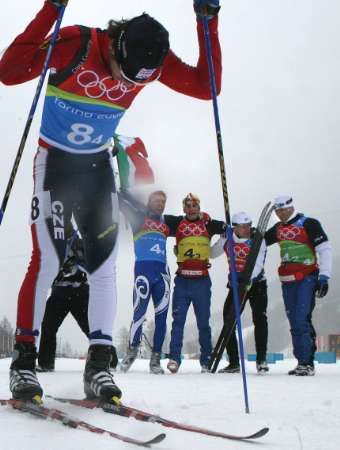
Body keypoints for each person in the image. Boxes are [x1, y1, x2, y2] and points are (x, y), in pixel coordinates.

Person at [0, 0, 222, 402]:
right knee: (48, 258)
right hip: (54, 163)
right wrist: (51, 8)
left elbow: (206, 87)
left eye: (141, 79)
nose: (129, 82)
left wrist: (208, 23)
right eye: (125, 72)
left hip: (97, 168)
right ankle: (24, 362)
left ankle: (99, 365)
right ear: (118, 44)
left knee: (103, 265)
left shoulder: (150, 61)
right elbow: (9, 72)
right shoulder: (76, 45)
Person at [265, 195, 332, 376]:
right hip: (288, 281)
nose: (281, 213)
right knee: (294, 320)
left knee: (302, 318)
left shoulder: (308, 223)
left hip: (307, 278)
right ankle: (300, 360)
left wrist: (324, 277)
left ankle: (307, 362)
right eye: (277, 211)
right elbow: (259, 241)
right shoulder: (278, 229)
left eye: (283, 209)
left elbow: (325, 249)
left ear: (291, 207)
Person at [37, 232, 118, 373]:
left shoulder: (80, 243)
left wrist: (77, 262)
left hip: (80, 292)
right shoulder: (53, 244)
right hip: (59, 292)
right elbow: (46, 265)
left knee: (91, 327)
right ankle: (45, 363)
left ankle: (110, 359)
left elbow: (91, 264)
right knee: (48, 325)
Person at [165, 194, 226, 373]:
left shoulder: (208, 223)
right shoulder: (177, 223)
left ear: (199, 207)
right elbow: (154, 217)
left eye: (195, 205)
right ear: (184, 208)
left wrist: (228, 232)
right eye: (188, 205)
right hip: (183, 280)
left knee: (203, 323)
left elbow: (228, 229)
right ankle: (174, 358)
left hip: (201, 280)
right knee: (178, 322)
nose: (192, 208)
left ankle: (206, 359)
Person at [118, 190, 171, 374]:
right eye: (156, 200)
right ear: (149, 201)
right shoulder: (138, 218)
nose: (160, 203)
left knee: (162, 318)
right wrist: (121, 191)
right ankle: (131, 351)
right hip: (143, 273)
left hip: (163, 275)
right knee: (139, 314)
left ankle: (156, 359)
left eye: (163, 201)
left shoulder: (167, 221)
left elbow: (191, 221)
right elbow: (119, 202)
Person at [210, 212, 269, 374]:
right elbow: (211, 254)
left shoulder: (258, 239)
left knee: (260, 318)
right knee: (228, 318)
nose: (247, 229)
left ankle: (261, 360)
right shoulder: (228, 238)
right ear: (234, 227)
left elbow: (258, 264)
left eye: (248, 225)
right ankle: (234, 361)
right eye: (242, 227)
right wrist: (222, 239)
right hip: (236, 285)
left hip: (256, 284)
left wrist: (247, 279)